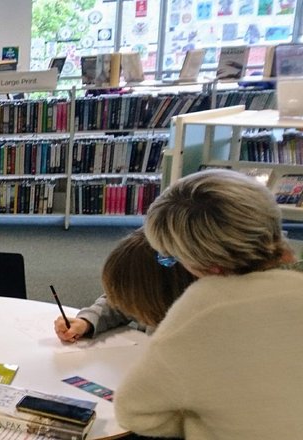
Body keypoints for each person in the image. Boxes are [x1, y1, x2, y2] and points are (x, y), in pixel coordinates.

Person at [116, 169, 303, 439]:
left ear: (209, 266)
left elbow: (133, 410)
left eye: (172, 257)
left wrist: (203, 422)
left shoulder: (202, 310)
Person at [53, 229, 196, 342]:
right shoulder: (149, 293)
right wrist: (86, 322)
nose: (131, 307)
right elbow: (118, 305)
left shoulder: (194, 328)